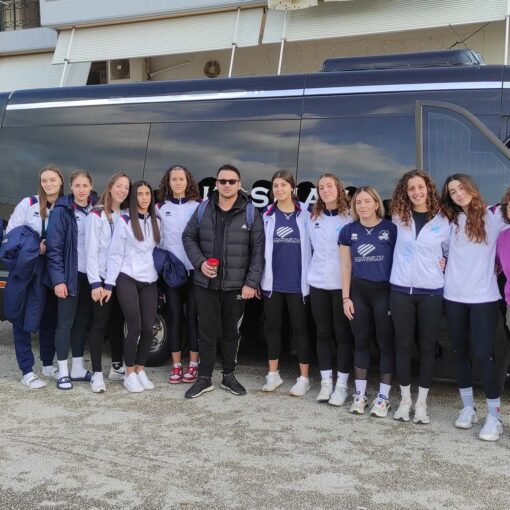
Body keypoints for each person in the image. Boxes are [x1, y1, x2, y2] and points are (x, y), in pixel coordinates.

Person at [182, 164, 264, 399]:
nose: (227, 185)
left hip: (236, 286)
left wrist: (251, 283)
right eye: (223, 181)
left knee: (231, 332)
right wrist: (200, 263)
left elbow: (258, 251)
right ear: (216, 184)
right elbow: (188, 237)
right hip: (205, 284)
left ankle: (229, 376)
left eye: (232, 181)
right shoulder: (203, 208)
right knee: (206, 332)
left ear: (239, 184)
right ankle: (204, 378)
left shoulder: (251, 212)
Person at [441, 173, 506, 441]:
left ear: (472, 188)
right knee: (460, 352)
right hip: (453, 296)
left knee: (483, 354)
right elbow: (441, 251)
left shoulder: (495, 215)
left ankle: (495, 416)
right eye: (452, 191)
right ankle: (468, 407)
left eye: (461, 188)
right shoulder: (450, 220)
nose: (458, 194)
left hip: (484, 298)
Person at [390, 170, 450, 424]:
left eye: (420, 187)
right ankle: (405, 401)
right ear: (405, 192)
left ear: (429, 189)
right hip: (401, 290)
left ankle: (422, 404)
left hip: (431, 292)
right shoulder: (397, 216)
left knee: (427, 347)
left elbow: (451, 251)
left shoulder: (444, 219)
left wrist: (444, 263)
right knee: (403, 346)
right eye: (411, 188)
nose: (416, 192)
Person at [340, 186, 397, 417]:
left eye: (367, 201)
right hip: (359, 293)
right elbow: (346, 266)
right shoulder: (348, 231)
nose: (362, 206)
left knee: (385, 344)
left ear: (376, 203)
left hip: (384, 292)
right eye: (358, 202)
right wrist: (345, 297)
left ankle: (383, 398)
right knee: (361, 342)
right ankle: (360, 395)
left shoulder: (391, 229)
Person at [5, 165, 64, 388]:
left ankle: (48, 364)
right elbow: (12, 236)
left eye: (52, 179)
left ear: (61, 181)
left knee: (50, 317)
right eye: (44, 180)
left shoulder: (65, 206)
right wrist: (35, 248)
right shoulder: (28, 204)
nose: (48, 184)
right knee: (21, 317)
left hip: (53, 268)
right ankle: (27, 370)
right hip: (28, 268)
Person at [104, 180, 161, 393]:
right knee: (134, 326)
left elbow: (161, 248)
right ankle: (129, 374)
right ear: (133, 197)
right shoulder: (125, 220)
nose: (144, 198)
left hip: (150, 280)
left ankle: (139, 370)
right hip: (127, 277)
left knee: (148, 328)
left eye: (147, 194)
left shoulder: (157, 221)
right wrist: (109, 283)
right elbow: (115, 253)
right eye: (139, 194)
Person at [259, 170, 312, 396]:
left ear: (292, 187)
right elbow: (259, 248)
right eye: (275, 185)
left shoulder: (306, 214)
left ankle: (304, 378)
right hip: (273, 283)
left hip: (298, 284)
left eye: (283, 185)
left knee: (300, 329)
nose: (279, 189)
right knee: (272, 328)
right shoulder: (266, 215)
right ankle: (273, 374)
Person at [46, 170, 97, 390]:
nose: (81, 190)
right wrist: (58, 280)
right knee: (65, 323)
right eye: (77, 186)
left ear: (91, 186)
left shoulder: (96, 208)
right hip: (69, 275)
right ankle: (63, 371)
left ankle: (77, 367)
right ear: (71, 187)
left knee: (82, 323)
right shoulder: (62, 210)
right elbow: (54, 248)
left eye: (85, 185)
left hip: (89, 275)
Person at [308, 173, 353, 405]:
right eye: (321, 187)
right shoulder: (313, 217)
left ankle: (342, 385)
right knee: (322, 334)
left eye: (330, 186)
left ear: (339, 189)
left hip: (342, 286)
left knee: (342, 335)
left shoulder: (350, 218)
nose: (325, 190)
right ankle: (326, 383)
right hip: (317, 284)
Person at [85, 172, 131, 393]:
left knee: (117, 322)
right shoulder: (96, 215)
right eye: (119, 186)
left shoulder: (125, 215)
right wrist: (96, 283)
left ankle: (116, 366)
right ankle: (96, 374)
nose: (123, 191)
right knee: (100, 323)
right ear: (110, 187)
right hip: (102, 279)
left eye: (126, 187)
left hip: (119, 278)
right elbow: (91, 251)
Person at [157, 165, 201, 384]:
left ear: (188, 181)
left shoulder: (199, 206)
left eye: (181, 179)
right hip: (172, 272)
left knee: (193, 318)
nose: (177, 182)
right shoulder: (160, 207)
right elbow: (157, 241)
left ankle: (193, 364)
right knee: (174, 317)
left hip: (194, 271)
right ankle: (176, 365)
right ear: (168, 182)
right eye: (173, 179)